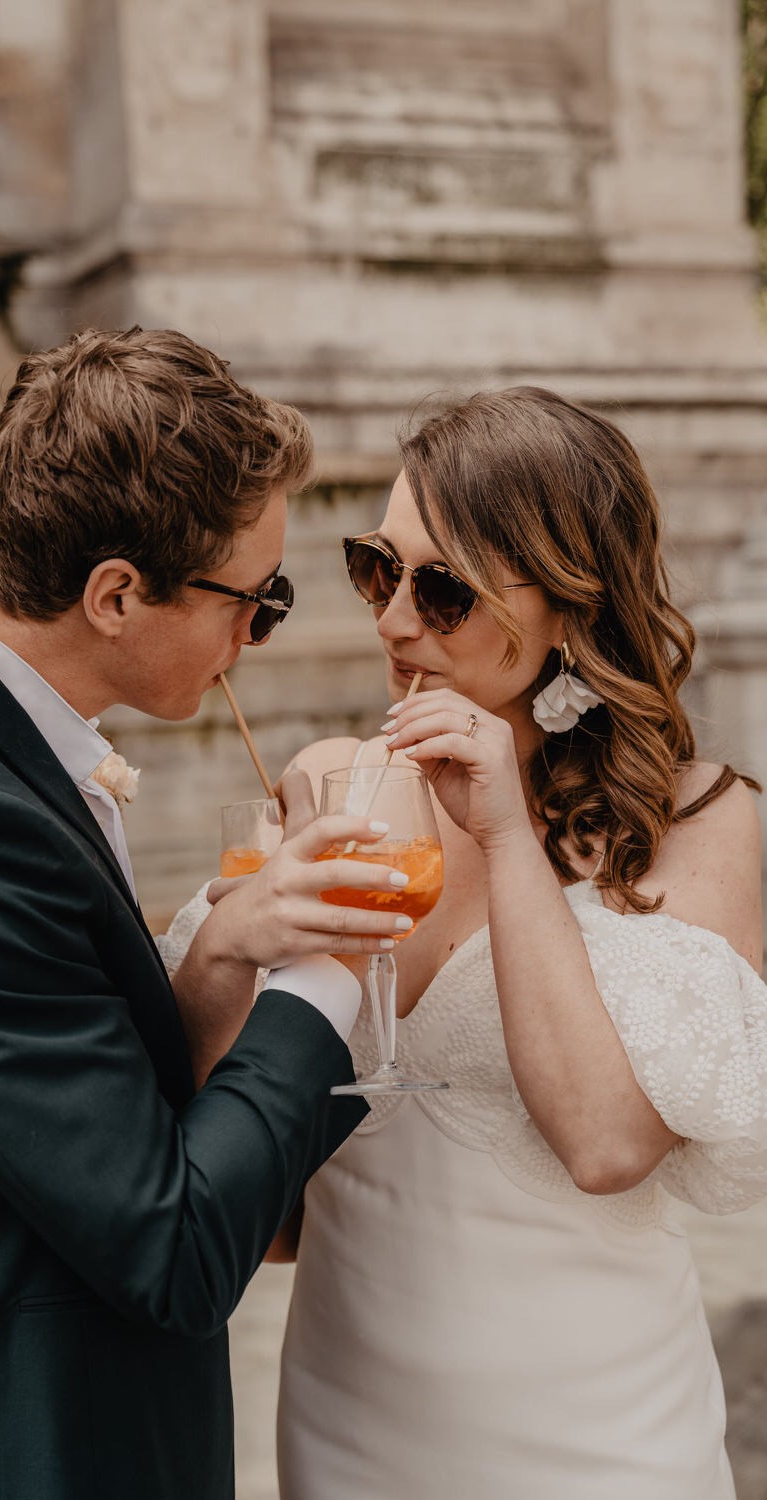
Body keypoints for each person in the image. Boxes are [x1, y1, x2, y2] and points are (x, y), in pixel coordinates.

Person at [0, 326, 420, 1500]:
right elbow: (170, 1248)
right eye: (253, 597)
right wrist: (325, 971)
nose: (253, 636)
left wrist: (223, 949)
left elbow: (74, 1101)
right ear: (115, 593)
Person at [159, 386, 767, 1499]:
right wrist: (238, 948)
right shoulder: (339, 790)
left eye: (439, 589)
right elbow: (268, 1215)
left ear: (573, 609)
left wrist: (500, 825)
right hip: (350, 1430)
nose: (392, 621)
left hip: (602, 1440)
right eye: (376, 569)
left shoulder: (701, 820)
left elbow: (603, 1147)